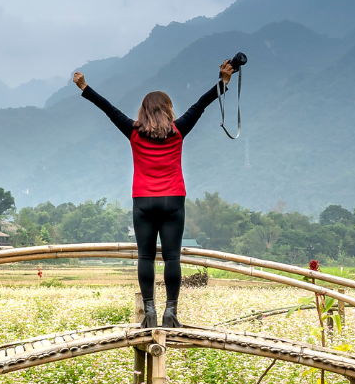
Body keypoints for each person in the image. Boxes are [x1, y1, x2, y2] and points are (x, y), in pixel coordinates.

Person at [72, 60, 234, 328]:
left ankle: (149, 312)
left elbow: (109, 109)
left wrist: (84, 87)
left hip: (143, 201)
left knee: (146, 257)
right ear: (168, 110)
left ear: (143, 111)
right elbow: (201, 105)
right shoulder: (178, 130)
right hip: (173, 200)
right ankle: (171, 313)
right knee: (172, 257)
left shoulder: (133, 131)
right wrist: (223, 82)